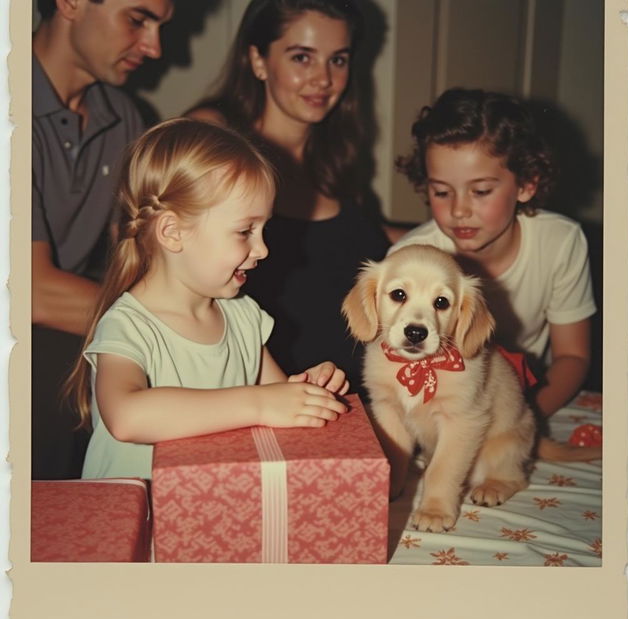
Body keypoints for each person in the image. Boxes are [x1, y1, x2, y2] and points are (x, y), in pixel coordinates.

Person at [64, 118, 349, 480]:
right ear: (173, 232)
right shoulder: (129, 326)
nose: (262, 249)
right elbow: (126, 416)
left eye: (263, 230)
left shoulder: (244, 317)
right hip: (134, 520)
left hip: (209, 510)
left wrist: (305, 392)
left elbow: (275, 399)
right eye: (245, 231)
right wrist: (259, 404)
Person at [186, 0, 390, 397]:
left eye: (338, 60)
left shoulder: (337, 155)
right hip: (272, 394)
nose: (323, 79)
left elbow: (345, 240)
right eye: (302, 58)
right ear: (258, 60)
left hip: (357, 390)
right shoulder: (214, 137)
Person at [31, 0, 174, 478]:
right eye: (137, 19)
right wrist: (177, 323)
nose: (153, 47)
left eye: (159, 26)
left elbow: (138, 262)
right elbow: (30, 292)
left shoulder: (124, 117)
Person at [392, 88, 596, 418]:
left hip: (529, 398)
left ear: (526, 184)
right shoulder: (406, 260)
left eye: (481, 191)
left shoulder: (561, 241)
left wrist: (521, 416)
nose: (459, 210)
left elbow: (572, 356)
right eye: (441, 191)